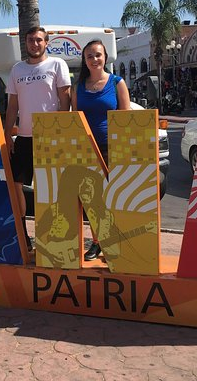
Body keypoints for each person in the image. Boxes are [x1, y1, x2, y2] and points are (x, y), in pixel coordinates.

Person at [4, 26, 72, 249]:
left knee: (49, 189)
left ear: (46, 42)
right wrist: (7, 134)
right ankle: (23, 234)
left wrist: (61, 131)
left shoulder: (57, 64)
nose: (34, 44)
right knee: (15, 185)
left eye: (39, 40)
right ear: (26, 43)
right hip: (24, 137)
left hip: (50, 137)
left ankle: (49, 238)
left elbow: (66, 100)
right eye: (31, 40)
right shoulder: (17, 69)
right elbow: (12, 105)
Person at [71, 39, 131, 261]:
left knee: (115, 196)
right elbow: (74, 118)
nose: (94, 59)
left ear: (105, 57)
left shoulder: (117, 83)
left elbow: (126, 117)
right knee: (94, 199)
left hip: (112, 147)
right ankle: (97, 242)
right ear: (84, 61)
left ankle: (117, 242)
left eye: (98, 55)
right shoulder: (77, 87)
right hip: (87, 149)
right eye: (89, 56)